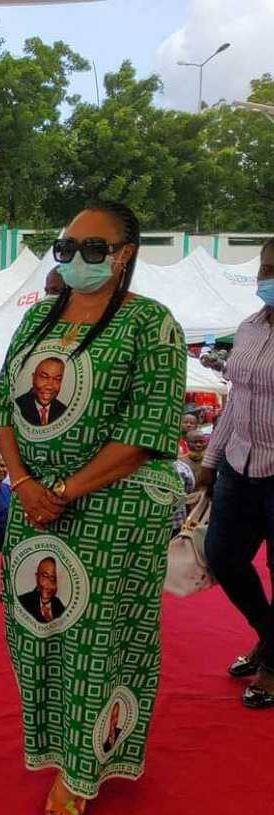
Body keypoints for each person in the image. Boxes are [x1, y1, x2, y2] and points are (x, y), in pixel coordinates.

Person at [0, 201, 185, 815]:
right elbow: (1, 408)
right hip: (32, 507)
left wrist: (64, 491)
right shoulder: (36, 322)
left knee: (99, 645)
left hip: (115, 512)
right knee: (37, 631)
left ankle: (86, 766)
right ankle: (54, 745)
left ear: (126, 254)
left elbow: (143, 432)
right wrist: (24, 482)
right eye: (66, 247)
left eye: (93, 249)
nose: (77, 259)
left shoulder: (152, 324)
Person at [202, 236, 274, 710]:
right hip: (238, 463)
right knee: (222, 555)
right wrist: (210, 462)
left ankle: (272, 662)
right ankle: (272, 639)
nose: (267, 278)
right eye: (266, 268)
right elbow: (236, 403)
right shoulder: (247, 328)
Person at [15, 356, 68, 426]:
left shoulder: (64, 411)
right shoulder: (17, 406)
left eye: (57, 379)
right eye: (44, 377)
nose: (49, 386)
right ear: (33, 378)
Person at [17, 557, 66, 624]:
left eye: (53, 579)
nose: (48, 585)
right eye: (45, 576)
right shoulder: (21, 603)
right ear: (37, 577)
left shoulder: (59, 606)